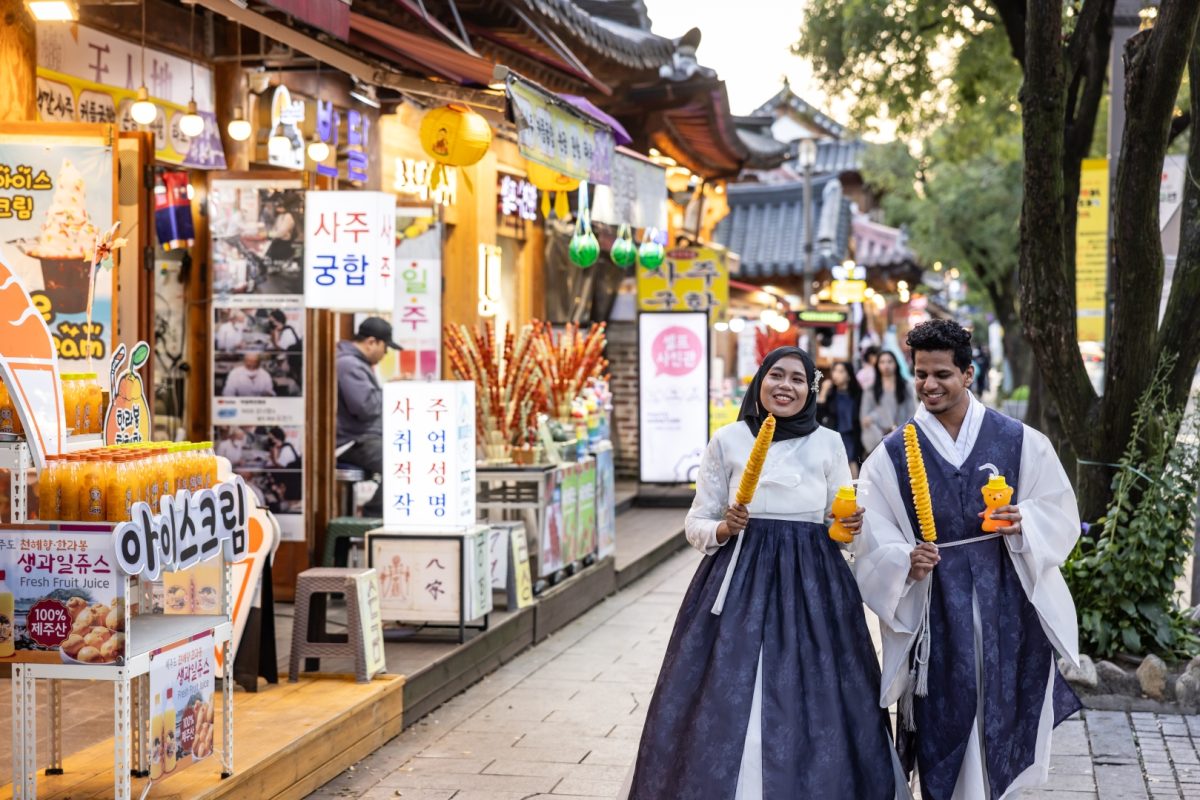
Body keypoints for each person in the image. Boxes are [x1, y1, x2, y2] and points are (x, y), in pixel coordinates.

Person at [621, 347, 905, 800]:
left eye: (797, 379)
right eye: (776, 375)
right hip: (737, 584)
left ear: (810, 390)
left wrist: (848, 526)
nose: (785, 386)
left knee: (816, 693)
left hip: (813, 588)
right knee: (727, 691)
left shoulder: (829, 443)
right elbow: (696, 522)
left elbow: (844, 524)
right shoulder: (728, 440)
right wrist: (722, 526)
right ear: (760, 381)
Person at [852, 319, 1082, 800]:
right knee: (945, 705)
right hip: (936, 600)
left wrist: (1025, 520)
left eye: (942, 374)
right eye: (921, 374)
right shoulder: (893, 454)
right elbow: (873, 534)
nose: (929, 385)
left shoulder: (1017, 440)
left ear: (969, 374)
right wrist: (904, 560)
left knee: (1000, 699)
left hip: (1005, 591)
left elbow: (1058, 509)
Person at [337, 316, 400, 516]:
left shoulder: (354, 363)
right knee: (400, 461)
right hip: (352, 441)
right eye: (385, 347)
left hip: (361, 438)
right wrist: (389, 390)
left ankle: (375, 514)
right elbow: (365, 407)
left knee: (403, 457)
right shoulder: (349, 364)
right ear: (372, 342)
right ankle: (373, 517)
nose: (386, 353)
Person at [861, 349, 917, 454]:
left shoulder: (905, 387)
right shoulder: (870, 390)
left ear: (896, 364)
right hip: (877, 441)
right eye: (882, 362)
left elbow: (911, 412)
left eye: (890, 361)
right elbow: (864, 418)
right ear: (877, 365)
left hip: (902, 438)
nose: (886, 365)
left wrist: (900, 432)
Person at [817, 360, 864, 477]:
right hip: (833, 433)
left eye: (841, 371)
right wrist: (823, 392)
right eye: (835, 371)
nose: (836, 374)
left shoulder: (858, 393)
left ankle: (854, 493)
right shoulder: (830, 393)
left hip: (851, 436)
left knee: (851, 463)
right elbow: (818, 416)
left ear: (848, 375)